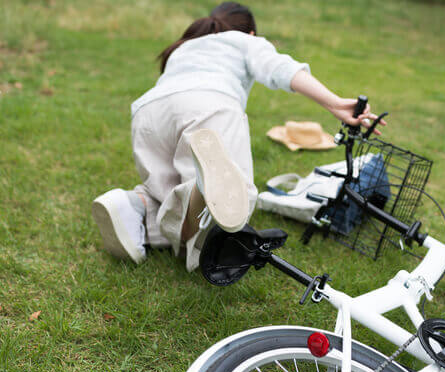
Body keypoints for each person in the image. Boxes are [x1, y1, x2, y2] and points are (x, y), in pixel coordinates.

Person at [91, 2, 384, 272]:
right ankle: (202, 215)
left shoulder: (184, 48)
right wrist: (333, 102)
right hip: (209, 105)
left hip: (148, 114)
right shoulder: (245, 41)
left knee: (163, 195)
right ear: (252, 32)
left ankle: (133, 205)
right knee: (234, 200)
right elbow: (283, 69)